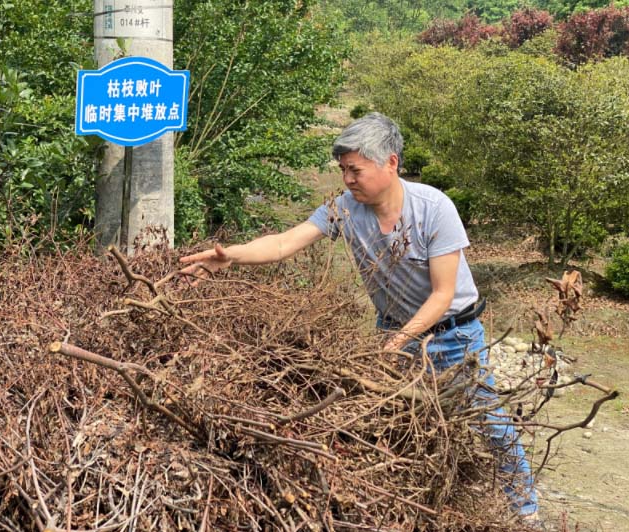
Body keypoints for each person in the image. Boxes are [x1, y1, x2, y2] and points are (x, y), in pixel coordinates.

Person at [179, 112, 538, 517]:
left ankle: (526, 513)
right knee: (402, 427)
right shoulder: (345, 209)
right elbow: (283, 244)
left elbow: (442, 294)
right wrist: (233, 257)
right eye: (343, 170)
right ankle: (417, 510)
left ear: (390, 163)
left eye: (356, 169)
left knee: (491, 425)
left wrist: (399, 342)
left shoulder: (433, 208)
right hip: (394, 336)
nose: (348, 179)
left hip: (455, 336)